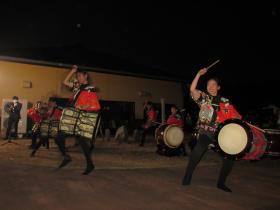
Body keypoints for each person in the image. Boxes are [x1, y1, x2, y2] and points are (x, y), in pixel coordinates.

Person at [182, 67, 242, 192]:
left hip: (221, 135)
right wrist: (198, 74)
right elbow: (192, 89)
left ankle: (221, 183)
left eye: (213, 84)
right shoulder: (204, 98)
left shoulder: (226, 102)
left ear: (218, 87)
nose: (210, 86)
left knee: (230, 158)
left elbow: (236, 118)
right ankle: (187, 176)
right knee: (198, 150)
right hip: (206, 132)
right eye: (208, 84)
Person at [56, 67, 101, 175]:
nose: (78, 78)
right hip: (73, 115)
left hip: (82, 117)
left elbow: (95, 106)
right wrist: (73, 71)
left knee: (80, 141)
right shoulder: (78, 86)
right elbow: (65, 82)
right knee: (59, 136)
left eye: (79, 76)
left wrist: (82, 106)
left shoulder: (90, 89)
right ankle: (67, 157)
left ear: (86, 76)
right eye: (77, 76)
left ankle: (89, 165)